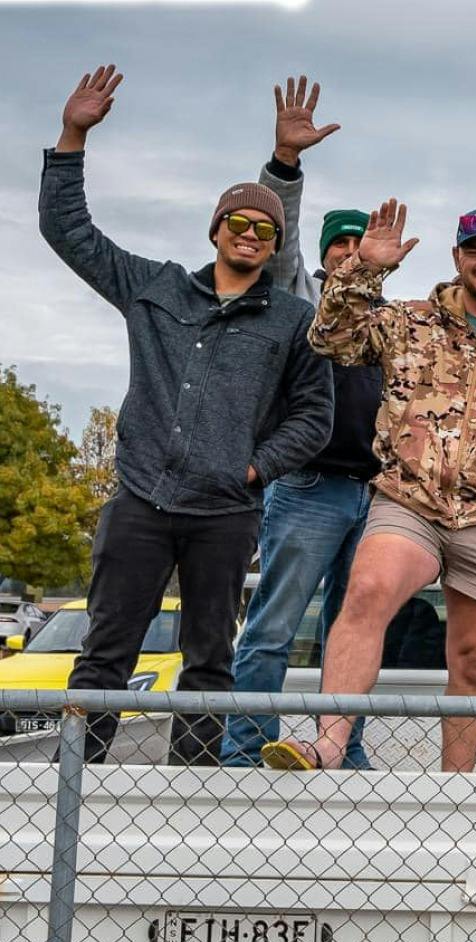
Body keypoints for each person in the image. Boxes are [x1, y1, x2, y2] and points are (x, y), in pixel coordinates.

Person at [38, 65, 333, 765]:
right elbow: (67, 229)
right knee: (105, 653)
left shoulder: (292, 319)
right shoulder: (155, 288)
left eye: (266, 228)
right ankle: (71, 786)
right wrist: (72, 134)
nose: (251, 234)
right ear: (217, 229)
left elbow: (313, 417)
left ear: (273, 242)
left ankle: (191, 788)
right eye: (239, 221)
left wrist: (253, 468)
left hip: (224, 511)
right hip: (141, 499)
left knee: (209, 660)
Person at [261, 199, 476, 772]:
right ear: (457, 256)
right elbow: (330, 341)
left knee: (470, 661)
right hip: (409, 501)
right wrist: (363, 270)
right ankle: (328, 746)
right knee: (366, 593)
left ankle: (454, 789)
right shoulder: (409, 321)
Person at [222, 76, 382, 769]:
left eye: (361, 244)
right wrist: (285, 166)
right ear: (324, 255)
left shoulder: (391, 322)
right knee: (274, 628)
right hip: (308, 488)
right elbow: (279, 250)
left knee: (356, 631)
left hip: (374, 498)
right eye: (342, 245)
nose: (352, 253)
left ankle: (341, 752)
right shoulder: (298, 299)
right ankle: (244, 746)